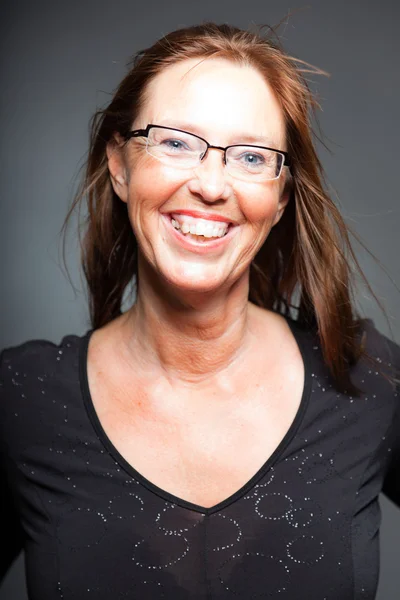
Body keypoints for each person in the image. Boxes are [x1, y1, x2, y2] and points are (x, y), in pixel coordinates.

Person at [1, 21, 399, 600]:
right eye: (176, 142)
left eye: (252, 156)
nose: (211, 185)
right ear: (120, 163)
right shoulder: (22, 399)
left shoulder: (366, 381)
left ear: (281, 196)